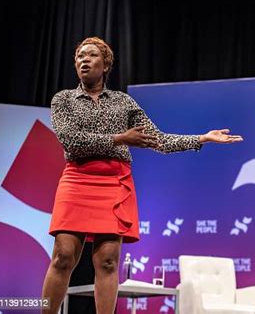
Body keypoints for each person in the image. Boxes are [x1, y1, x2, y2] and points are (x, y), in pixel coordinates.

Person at [41, 37, 243, 314]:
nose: (83, 60)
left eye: (91, 55)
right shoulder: (63, 99)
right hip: (78, 178)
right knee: (63, 257)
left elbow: (158, 140)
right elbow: (70, 140)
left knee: (108, 261)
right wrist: (121, 138)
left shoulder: (124, 103)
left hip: (114, 182)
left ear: (105, 64)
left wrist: (202, 138)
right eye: (79, 57)